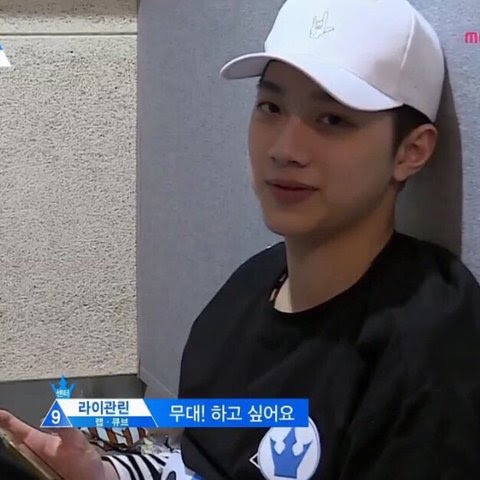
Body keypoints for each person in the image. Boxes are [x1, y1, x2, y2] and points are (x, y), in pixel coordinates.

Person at [1, 0, 480, 478]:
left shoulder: (430, 343)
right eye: (271, 107)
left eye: (332, 119)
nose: (284, 149)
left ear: (411, 151)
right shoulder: (246, 293)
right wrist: (105, 474)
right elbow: (196, 466)